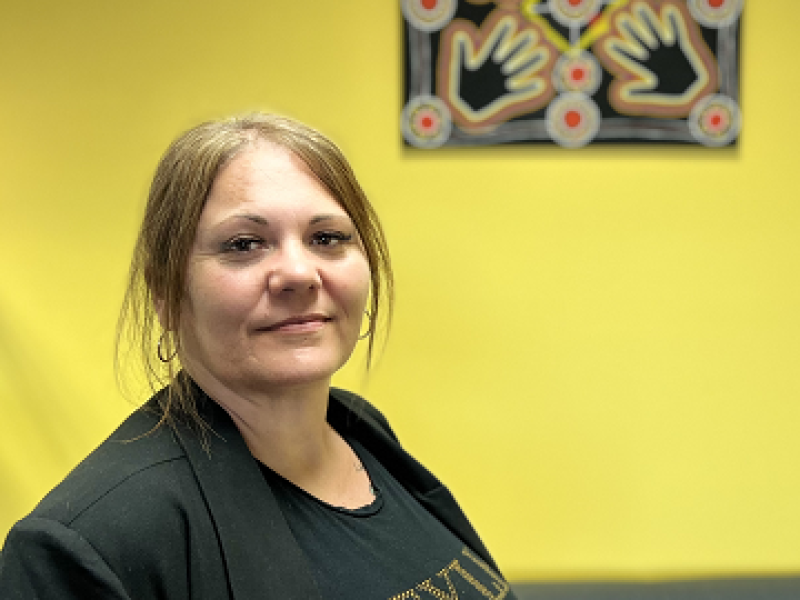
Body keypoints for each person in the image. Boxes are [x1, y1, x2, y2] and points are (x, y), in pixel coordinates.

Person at [0, 113, 517, 599]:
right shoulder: (93, 542)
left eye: (327, 238)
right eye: (245, 244)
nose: (298, 272)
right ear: (165, 292)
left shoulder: (362, 432)